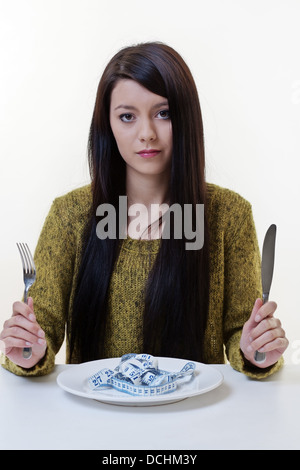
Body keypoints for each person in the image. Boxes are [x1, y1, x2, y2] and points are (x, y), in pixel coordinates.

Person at [0, 42, 288, 378]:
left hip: (197, 419)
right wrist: (27, 350)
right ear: (107, 125)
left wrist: (257, 350)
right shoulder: (69, 215)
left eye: (163, 113)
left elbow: (241, 332)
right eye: (127, 117)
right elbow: (42, 330)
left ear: (186, 118)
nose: (147, 134)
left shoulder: (230, 215)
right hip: (94, 418)